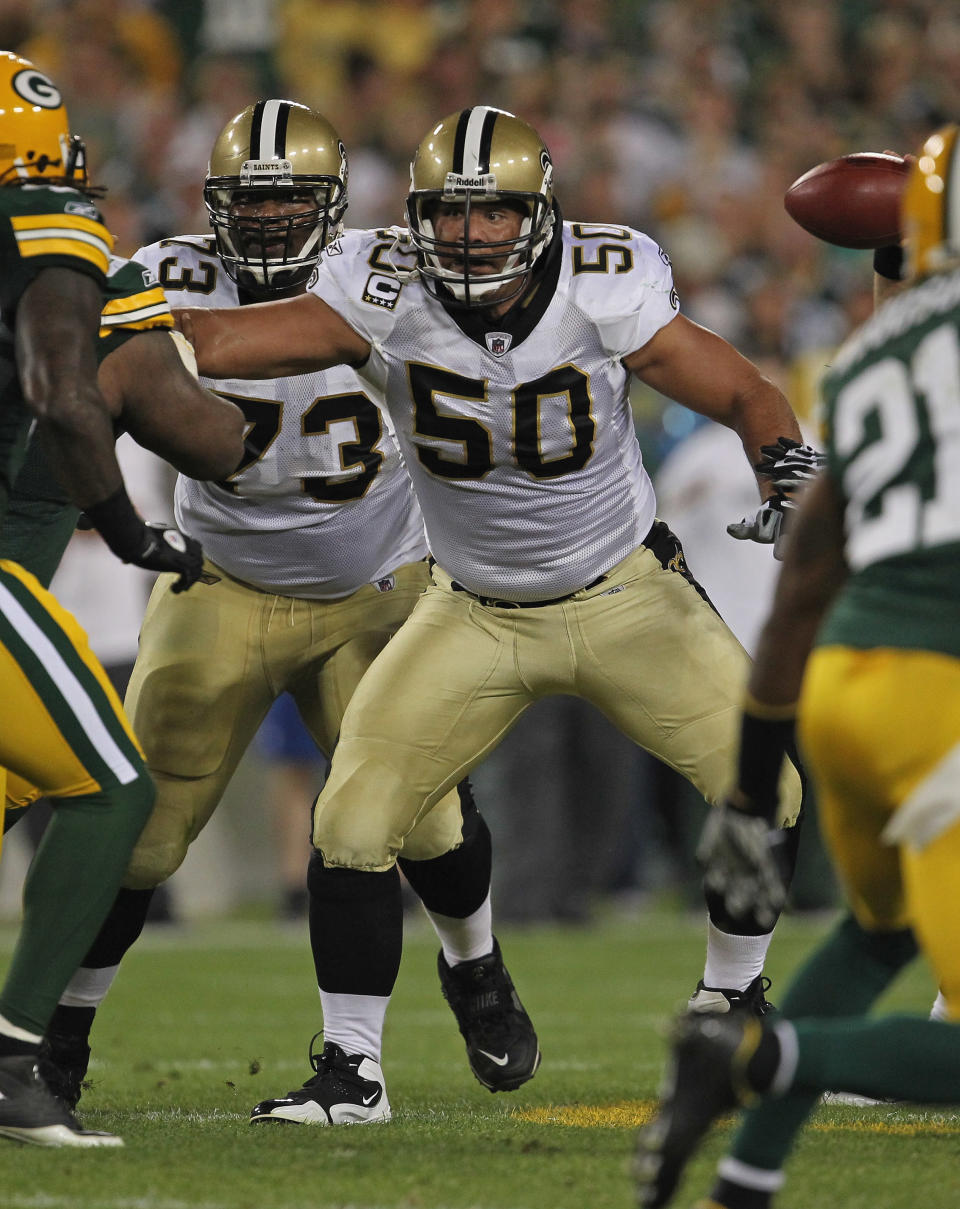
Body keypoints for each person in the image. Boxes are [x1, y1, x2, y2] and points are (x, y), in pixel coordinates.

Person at [174, 104, 810, 1119]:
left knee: (764, 789)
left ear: (542, 214)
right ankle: (353, 1071)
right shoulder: (381, 287)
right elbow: (235, 346)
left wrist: (783, 464)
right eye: (450, 215)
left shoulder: (604, 283)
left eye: (496, 215)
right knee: (351, 817)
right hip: (470, 611)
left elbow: (739, 389)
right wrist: (110, 309)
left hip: (625, 594)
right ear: (416, 216)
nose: (470, 236)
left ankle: (731, 997)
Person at [39, 100, 538, 1127]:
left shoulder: (395, 271)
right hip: (221, 580)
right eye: (250, 198)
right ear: (214, 203)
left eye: (287, 197)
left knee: (419, 818)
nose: (267, 219)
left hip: (382, 585)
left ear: (335, 201)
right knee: (139, 827)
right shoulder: (157, 271)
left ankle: (473, 969)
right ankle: (62, 1041)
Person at [634, 123, 960, 1209]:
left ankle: (744, 1178)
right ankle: (752, 1060)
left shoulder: (869, 354)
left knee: (878, 935)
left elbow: (806, 571)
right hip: (941, 698)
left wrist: (751, 775)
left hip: (839, 692)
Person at [0, 51, 243, 1148]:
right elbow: (83, 389)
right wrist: (140, 528)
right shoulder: (46, 224)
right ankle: (12, 1062)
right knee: (111, 791)